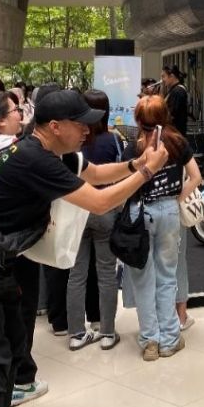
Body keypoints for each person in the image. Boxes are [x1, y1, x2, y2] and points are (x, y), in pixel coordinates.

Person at [0, 90, 169, 407]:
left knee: (13, 347)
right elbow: (99, 202)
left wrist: (134, 165)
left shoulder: (45, 152)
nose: (87, 130)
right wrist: (147, 173)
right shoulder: (33, 158)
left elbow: (95, 174)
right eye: (80, 124)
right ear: (54, 126)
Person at [123, 95, 203, 361]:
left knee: (143, 279)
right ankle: (170, 339)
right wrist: (176, 199)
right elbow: (196, 177)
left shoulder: (134, 148)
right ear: (165, 115)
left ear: (138, 120)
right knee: (168, 276)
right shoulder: (178, 142)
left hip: (140, 213)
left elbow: (124, 184)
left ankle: (150, 341)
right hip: (169, 212)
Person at [66, 90, 123, 351]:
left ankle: (77, 333)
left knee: (76, 274)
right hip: (105, 209)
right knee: (107, 273)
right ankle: (108, 332)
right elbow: (120, 174)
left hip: (77, 210)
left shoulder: (73, 142)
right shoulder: (113, 140)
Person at [161, 66, 189, 135]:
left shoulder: (178, 91)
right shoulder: (173, 90)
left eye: (163, 76)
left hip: (175, 134)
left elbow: (171, 114)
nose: (162, 80)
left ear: (172, 76)